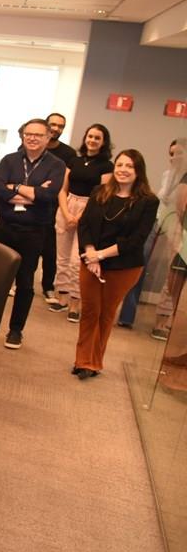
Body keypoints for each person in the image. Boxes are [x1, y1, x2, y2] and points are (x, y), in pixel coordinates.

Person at [72, 150, 158, 379]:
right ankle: (83, 360)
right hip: (91, 258)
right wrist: (90, 252)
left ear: (138, 171)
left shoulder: (148, 202)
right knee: (90, 310)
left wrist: (100, 256)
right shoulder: (99, 191)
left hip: (124, 265)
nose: (123, 170)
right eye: (119, 164)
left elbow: (136, 240)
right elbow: (84, 225)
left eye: (129, 166)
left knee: (106, 313)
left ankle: (93, 362)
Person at [0, 118, 66, 349]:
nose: (32, 138)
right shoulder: (9, 160)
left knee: (25, 282)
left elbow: (49, 195)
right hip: (4, 226)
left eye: (38, 135)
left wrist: (15, 187)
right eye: (28, 134)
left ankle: (15, 330)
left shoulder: (56, 165)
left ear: (48, 137)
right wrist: (32, 193)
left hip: (33, 230)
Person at [51, 124, 114, 322]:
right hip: (67, 206)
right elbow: (63, 190)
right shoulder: (74, 160)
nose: (92, 140)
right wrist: (66, 213)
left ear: (103, 142)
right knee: (61, 258)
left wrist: (80, 217)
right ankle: (61, 297)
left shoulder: (107, 166)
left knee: (76, 261)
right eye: (90, 136)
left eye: (97, 138)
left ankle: (75, 303)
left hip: (90, 209)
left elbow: (103, 195)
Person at [39, 112, 79, 304]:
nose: (56, 128)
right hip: (30, 204)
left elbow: (65, 184)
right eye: (53, 124)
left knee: (51, 250)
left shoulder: (69, 154)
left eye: (60, 126)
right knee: (27, 247)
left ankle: (48, 287)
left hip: (54, 207)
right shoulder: (33, 146)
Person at [151, 141, 187, 339]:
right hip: (169, 226)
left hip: (179, 229)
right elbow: (165, 200)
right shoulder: (170, 175)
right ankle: (162, 321)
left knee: (175, 277)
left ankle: (171, 322)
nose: (174, 158)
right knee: (171, 275)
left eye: (179, 153)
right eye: (172, 154)